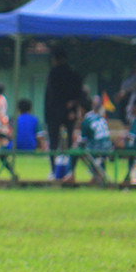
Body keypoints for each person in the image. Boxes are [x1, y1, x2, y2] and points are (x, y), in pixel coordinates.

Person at [44, 45, 82, 177]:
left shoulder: (53, 74)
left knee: (53, 142)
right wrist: (72, 108)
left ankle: (54, 170)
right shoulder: (73, 74)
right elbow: (78, 94)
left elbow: (51, 95)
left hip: (54, 112)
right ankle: (70, 171)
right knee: (70, 142)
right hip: (69, 111)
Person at [76, 96, 113, 181]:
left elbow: (83, 141)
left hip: (97, 148)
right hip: (108, 146)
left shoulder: (86, 120)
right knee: (96, 153)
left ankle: (71, 175)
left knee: (75, 151)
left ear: (82, 110)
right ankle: (97, 175)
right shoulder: (100, 117)